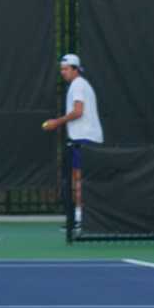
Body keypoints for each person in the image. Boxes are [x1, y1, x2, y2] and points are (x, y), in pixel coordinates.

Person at [41, 53, 103, 222]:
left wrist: (56, 122)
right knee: (81, 178)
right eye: (61, 69)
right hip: (85, 138)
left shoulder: (77, 85)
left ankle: (80, 218)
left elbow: (78, 111)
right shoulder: (80, 85)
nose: (63, 72)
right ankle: (82, 217)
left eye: (66, 69)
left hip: (84, 138)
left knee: (79, 178)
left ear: (75, 69)